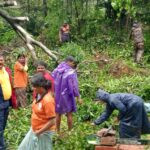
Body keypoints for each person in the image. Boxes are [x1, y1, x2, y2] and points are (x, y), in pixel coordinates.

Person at [18, 73, 56, 150]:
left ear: (41, 87)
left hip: (44, 132)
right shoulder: (39, 95)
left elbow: (52, 121)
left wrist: (39, 132)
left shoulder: (48, 100)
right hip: (35, 129)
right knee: (23, 147)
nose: (33, 88)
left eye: (35, 87)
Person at [52, 56, 82, 132]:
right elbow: (74, 85)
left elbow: (51, 81)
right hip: (68, 95)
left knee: (58, 113)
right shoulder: (71, 72)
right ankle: (70, 131)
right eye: (73, 63)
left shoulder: (56, 70)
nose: (73, 65)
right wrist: (78, 96)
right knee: (69, 114)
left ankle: (57, 131)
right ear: (68, 62)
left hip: (57, 95)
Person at [0, 54, 16, 150]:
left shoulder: (6, 71)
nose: (0, 62)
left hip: (6, 102)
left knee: (3, 125)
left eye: (1, 60)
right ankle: (2, 147)